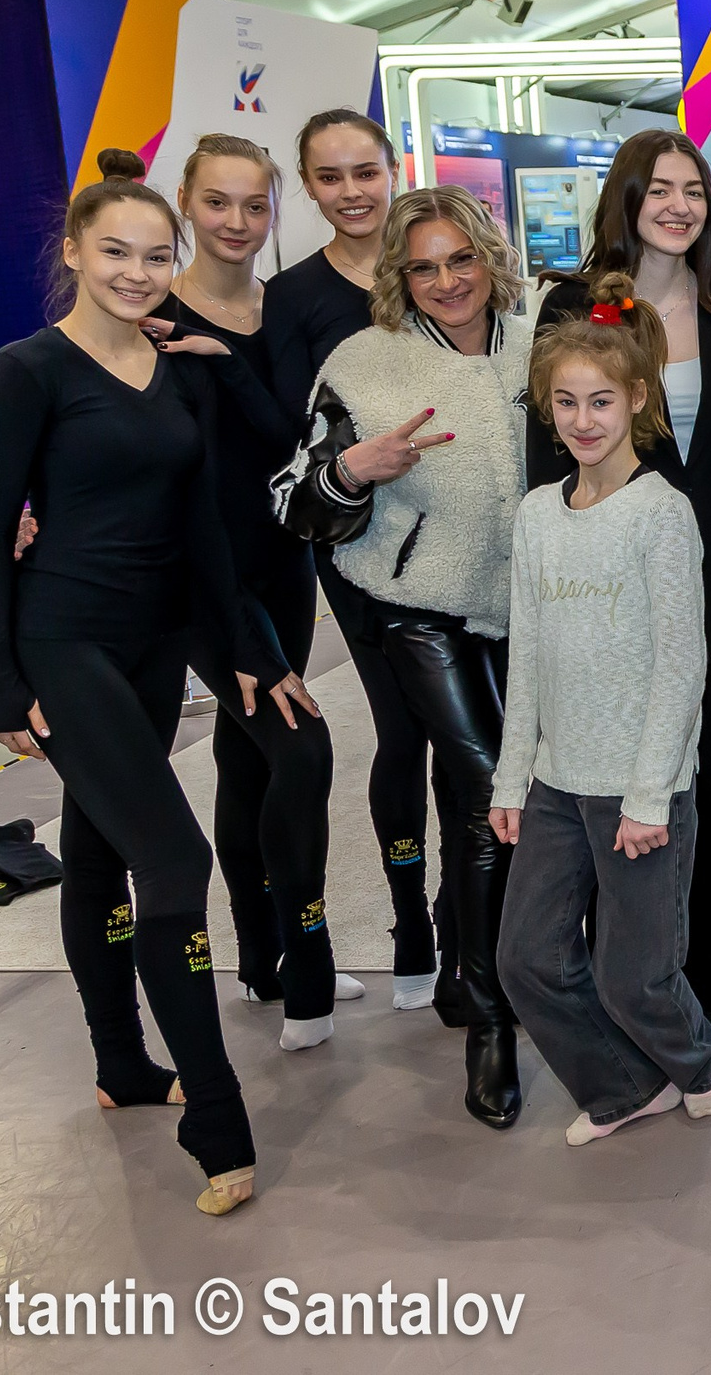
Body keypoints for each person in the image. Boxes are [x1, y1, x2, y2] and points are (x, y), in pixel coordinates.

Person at [0, 180, 310, 1216]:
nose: (136, 272)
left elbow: (202, 529)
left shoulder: (176, 368)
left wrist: (246, 646)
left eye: (157, 256)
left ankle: (120, 1062)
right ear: (71, 250)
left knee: (104, 843)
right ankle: (216, 1116)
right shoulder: (25, 372)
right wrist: (2, 685)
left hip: (160, 643)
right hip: (65, 641)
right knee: (174, 855)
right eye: (115, 251)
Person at [273, 185, 537, 1130]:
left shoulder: (540, 327)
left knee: (522, 796)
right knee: (483, 789)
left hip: (538, 613)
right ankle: (491, 1023)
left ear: (488, 256)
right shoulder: (362, 361)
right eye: (422, 266)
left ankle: (480, 978)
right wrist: (352, 468)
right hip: (420, 611)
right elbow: (292, 497)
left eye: (459, 259)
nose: (445, 281)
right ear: (399, 275)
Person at [490, 275, 711, 1143]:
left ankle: (697, 1067)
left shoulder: (662, 514)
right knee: (524, 959)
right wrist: (512, 776)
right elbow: (528, 658)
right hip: (558, 782)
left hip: (642, 788)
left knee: (636, 975)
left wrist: (647, 793)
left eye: (601, 400)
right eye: (565, 402)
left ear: (637, 399)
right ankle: (624, 1086)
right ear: (546, 409)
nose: (583, 419)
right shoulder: (534, 516)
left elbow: (683, 663)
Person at [529, 129, 711, 1029]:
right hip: (605, 580)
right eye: (659, 188)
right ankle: (620, 969)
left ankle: (705, 970)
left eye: (692, 190)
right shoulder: (573, 307)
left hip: (706, 574)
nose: (677, 205)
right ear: (626, 199)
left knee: (697, 769)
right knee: (604, 775)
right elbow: (546, 447)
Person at [147, 135, 349, 1050]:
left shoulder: (285, 306)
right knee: (299, 748)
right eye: (218, 202)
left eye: (255, 206)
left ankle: (259, 958)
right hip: (203, 579)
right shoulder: (147, 310)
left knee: (249, 754)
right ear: (185, 200)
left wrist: (225, 360)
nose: (236, 222)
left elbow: (287, 441)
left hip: (283, 559)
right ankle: (305, 963)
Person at [265, 109, 451, 1017]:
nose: (351, 191)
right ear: (307, 187)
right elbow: (284, 438)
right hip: (362, 552)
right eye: (330, 176)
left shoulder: (436, 266)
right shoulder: (293, 299)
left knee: (473, 744)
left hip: (462, 542)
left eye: (365, 171)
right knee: (404, 732)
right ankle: (412, 919)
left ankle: (467, 918)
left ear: (392, 168)